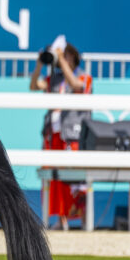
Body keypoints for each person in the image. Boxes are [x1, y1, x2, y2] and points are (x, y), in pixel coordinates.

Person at [29, 39, 93, 230]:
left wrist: (62, 60)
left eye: (64, 55)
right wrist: (40, 63)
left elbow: (77, 86)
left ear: (72, 56)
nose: (60, 59)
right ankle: (59, 219)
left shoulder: (84, 77)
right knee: (52, 177)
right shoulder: (53, 79)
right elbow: (33, 85)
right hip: (52, 133)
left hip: (72, 134)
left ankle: (80, 219)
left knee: (73, 177)